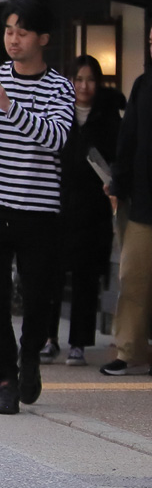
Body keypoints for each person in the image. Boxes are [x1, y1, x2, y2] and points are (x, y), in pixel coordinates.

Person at [0, 0, 76, 415]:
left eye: (22, 32)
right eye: (8, 31)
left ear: (43, 38)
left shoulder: (58, 87)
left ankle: (30, 356)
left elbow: (56, 138)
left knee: (38, 297)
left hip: (38, 208)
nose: (13, 39)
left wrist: (8, 105)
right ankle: (5, 380)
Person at [43, 55, 123, 365]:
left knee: (86, 276)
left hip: (93, 207)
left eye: (90, 79)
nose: (84, 86)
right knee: (50, 274)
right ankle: (48, 338)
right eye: (78, 79)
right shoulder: (58, 112)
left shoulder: (108, 117)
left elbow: (118, 157)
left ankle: (78, 342)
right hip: (56, 202)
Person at [105, 22, 152, 377]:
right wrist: (117, 182)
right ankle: (130, 350)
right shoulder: (143, 84)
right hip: (143, 200)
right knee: (134, 276)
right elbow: (128, 136)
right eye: (151, 40)